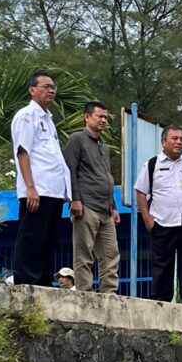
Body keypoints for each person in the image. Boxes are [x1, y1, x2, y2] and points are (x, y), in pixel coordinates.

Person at [134, 126, 182, 305]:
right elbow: (141, 192)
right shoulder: (152, 165)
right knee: (161, 267)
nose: (179, 142)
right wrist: (148, 219)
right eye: (174, 138)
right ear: (163, 142)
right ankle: (161, 305)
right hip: (162, 224)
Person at [11, 70, 71, 286]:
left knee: (48, 238)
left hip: (53, 190)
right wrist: (30, 187)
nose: (51, 90)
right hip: (37, 188)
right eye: (46, 86)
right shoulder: (27, 116)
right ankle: (27, 280)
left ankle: (44, 281)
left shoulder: (49, 119)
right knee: (31, 236)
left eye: (53, 87)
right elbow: (23, 151)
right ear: (32, 90)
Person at [63, 101, 120, 293]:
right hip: (86, 205)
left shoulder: (104, 146)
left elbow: (106, 176)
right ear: (87, 117)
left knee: (111, 254)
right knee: (84, 253)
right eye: (100, 116)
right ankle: (84, 293)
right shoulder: (77, 139)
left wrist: (113, 206)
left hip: (105, 208)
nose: (104, 120)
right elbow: (70, 170)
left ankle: (109, 294)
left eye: (106, 117)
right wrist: (75, 200)